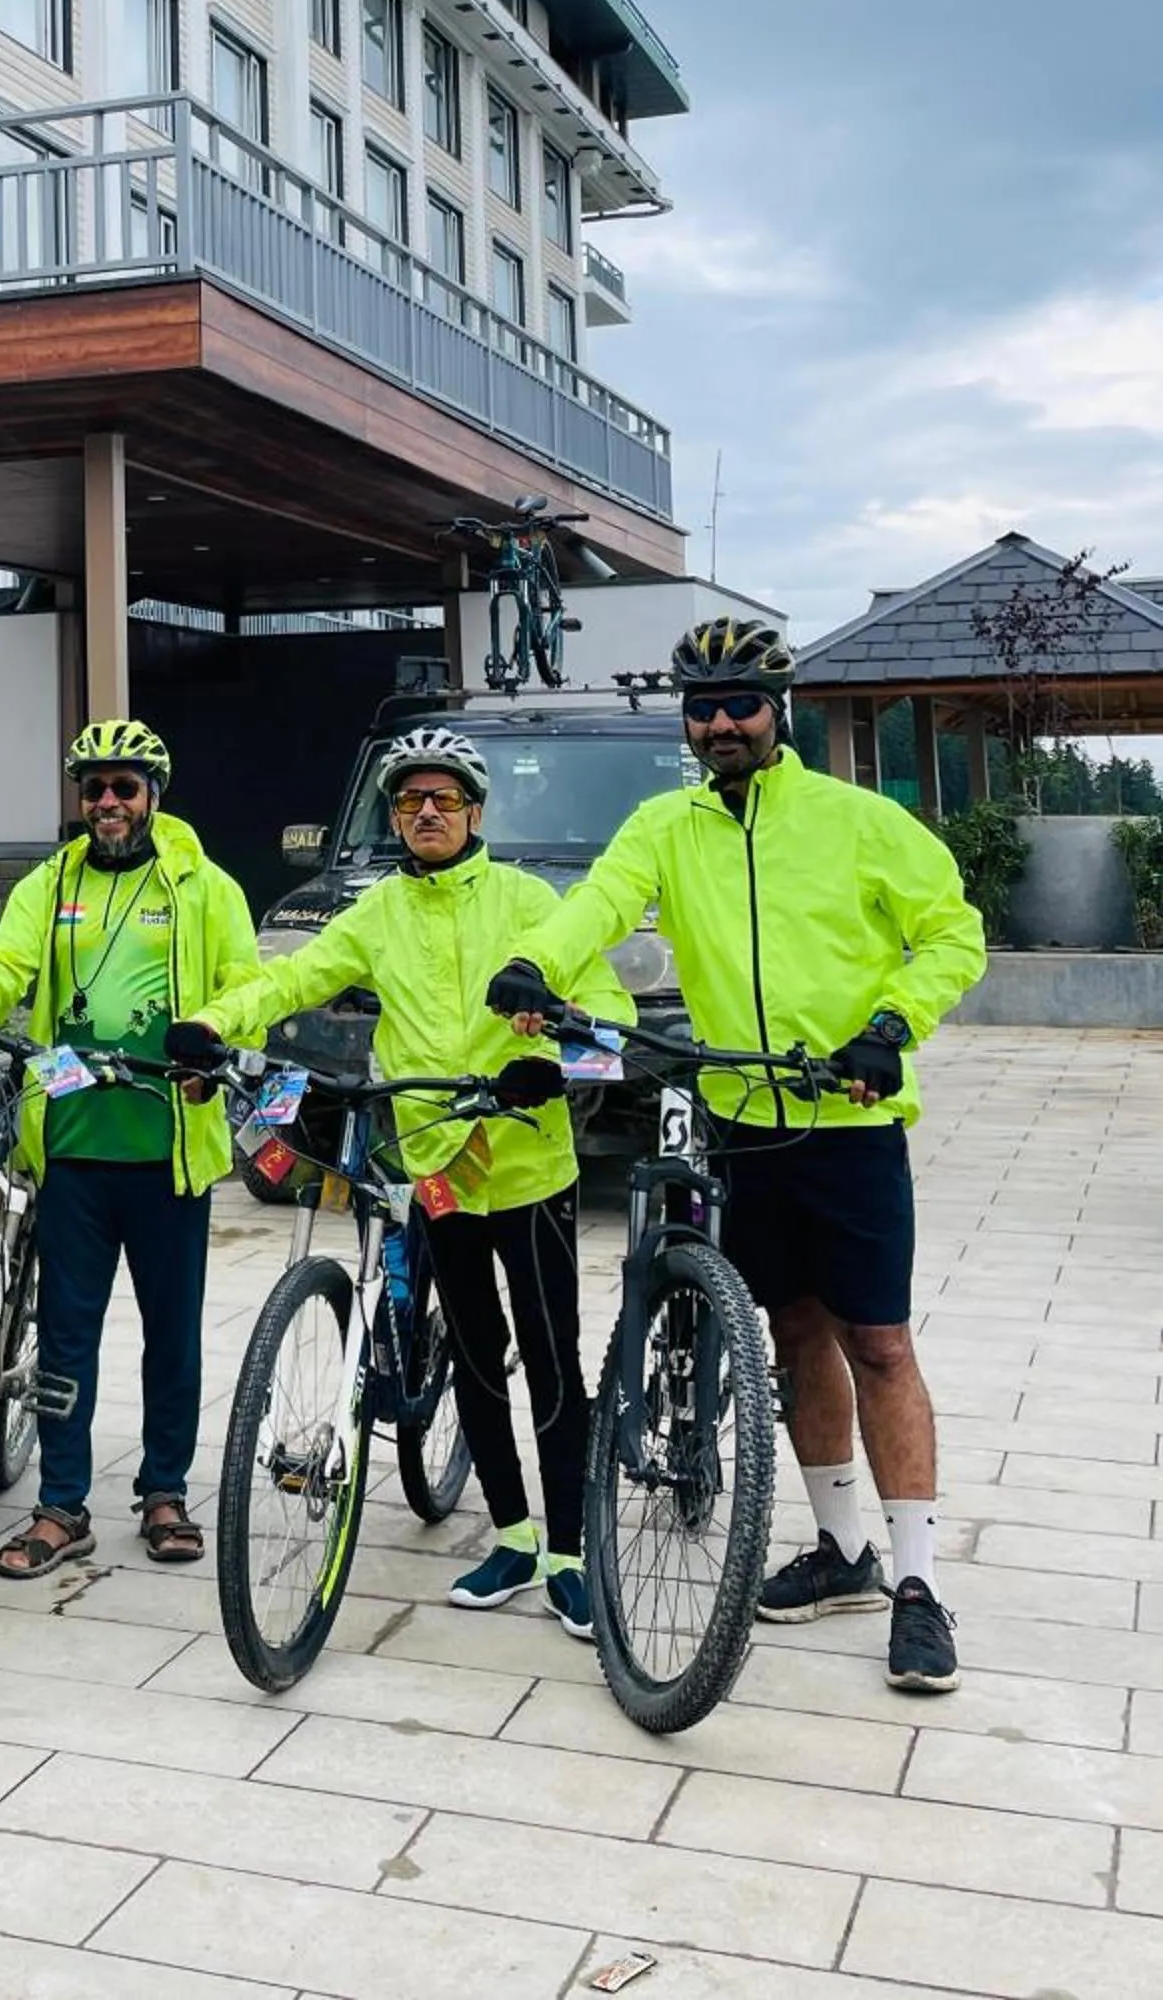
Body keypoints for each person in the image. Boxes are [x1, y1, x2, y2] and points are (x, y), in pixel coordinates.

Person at [494, 617, 986, 1694]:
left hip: (847, 1117)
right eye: (702, 708)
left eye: (739, 705)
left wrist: (891, 1026)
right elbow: (599, 903)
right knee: (795, 1330)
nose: (720, 724)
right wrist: (535, 962)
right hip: (739, 1121)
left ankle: (917, 1584)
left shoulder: (857, 820)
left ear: (779, 712)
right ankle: (843, 1550)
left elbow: (953, 934)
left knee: (879, 1343)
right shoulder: (664, 826)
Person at [182, 726, 625, 1633]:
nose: (426, 812)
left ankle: (570, 1553)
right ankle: (513, 1537)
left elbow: (605, 1010)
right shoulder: (377, 911)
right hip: (435, 1166)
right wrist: (214, 1023)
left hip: (529, 1165)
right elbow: (294, 978)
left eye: (444, 798)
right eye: (410, 800)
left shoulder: (531, 902)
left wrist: (555, 1059)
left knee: (551, 1360)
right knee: (475, 1357)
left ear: (475, 812)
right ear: (393, 817)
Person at [0, 719, 258, 1577]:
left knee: (172, 1336)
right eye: (94, 787)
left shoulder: (203, 884)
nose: (107, 801)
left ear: (153, 795)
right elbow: (5, 967)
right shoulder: (50, 882)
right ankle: (61, 1504)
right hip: (72, 1146)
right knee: (67, 1336)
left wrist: (215, 1039)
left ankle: (165, 1491)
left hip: (168, 1148)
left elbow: (249, 983)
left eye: (123, 787)